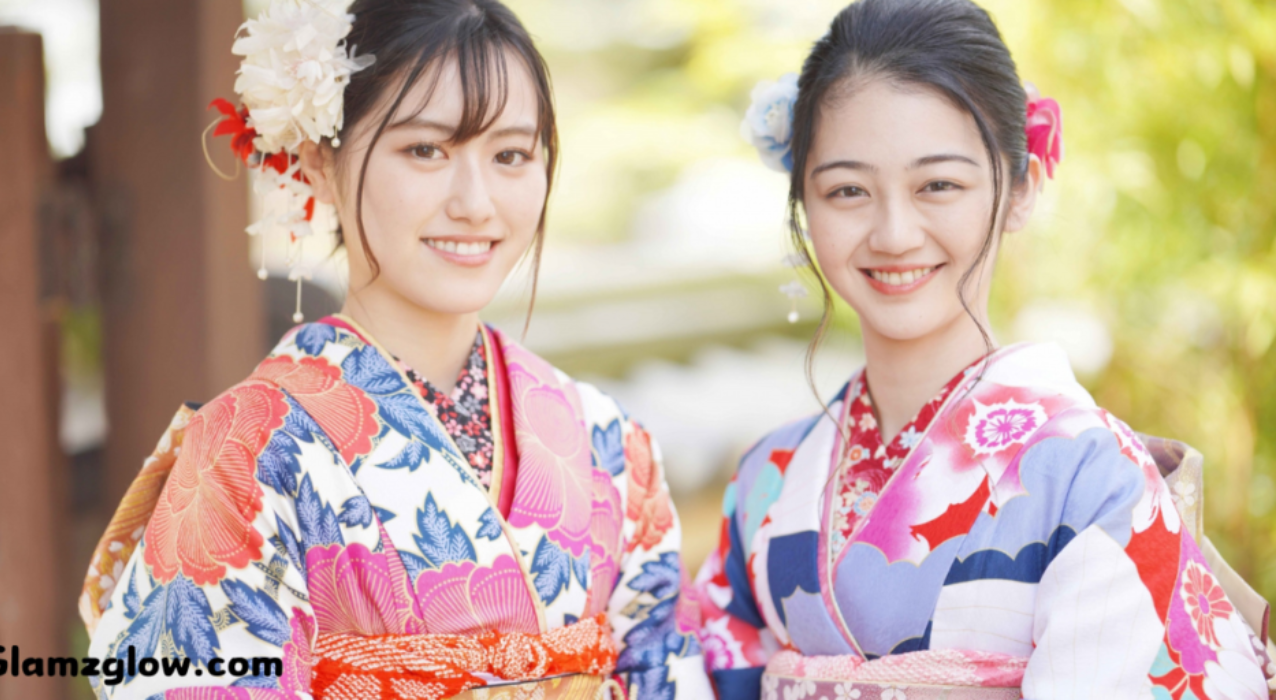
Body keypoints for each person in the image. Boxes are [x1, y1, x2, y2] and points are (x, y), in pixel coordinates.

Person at [77, 1, 711, 698]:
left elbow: (664, 669)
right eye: (425, 151)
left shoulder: (605, 440)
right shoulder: (248, 446)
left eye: (510, 155)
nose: (475, 202)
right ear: (319, 164)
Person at [697, 0, 1273, 698]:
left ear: (1020, 188)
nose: (894, 233)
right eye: (847, 190)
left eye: (938, 185)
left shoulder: (1090, 475)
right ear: (803, 207)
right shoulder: (769, 476)